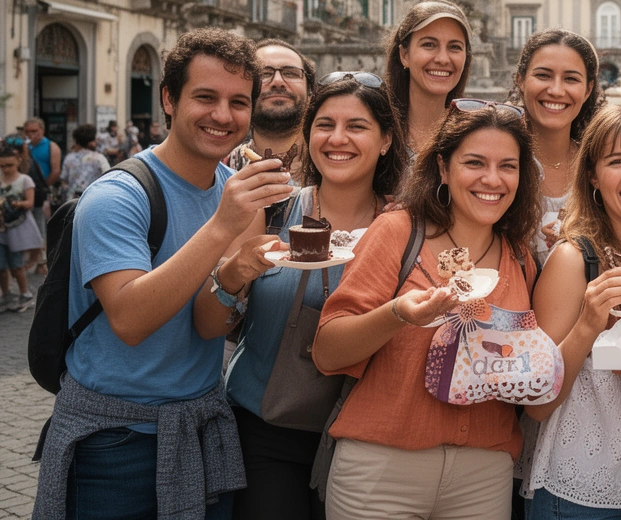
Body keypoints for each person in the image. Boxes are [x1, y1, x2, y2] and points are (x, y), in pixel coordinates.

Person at [33, 28, 295, 519]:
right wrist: (222, 227)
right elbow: (132, 321)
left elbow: (208, 326)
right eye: (206, 97)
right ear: (169, 99)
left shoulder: (234, 192)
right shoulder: (117, 197)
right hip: (113, 441)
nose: (223, 115)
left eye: (239, 102)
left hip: (201, 426)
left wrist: (237, 274)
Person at [312, 100, 542, 520]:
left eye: (507, 166)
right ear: (443, 168)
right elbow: (328, 351)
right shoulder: (398, 231)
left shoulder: (519, 256)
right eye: (474, 162)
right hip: (382, 473)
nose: (492, 179)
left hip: (483, 476)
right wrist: (397, 314)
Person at [195, 71, 405, 520]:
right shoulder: (271, 208)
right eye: (325, 125)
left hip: (369, 439)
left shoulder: (407, 226)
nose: (338, 139)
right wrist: (234, 272)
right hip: (267, 432)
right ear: (308, 135)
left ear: (386, 140)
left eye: (357, 126)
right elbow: (208, 325)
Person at [523, 105, 621, 519]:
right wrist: (588, 323)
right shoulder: (573, 260)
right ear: (593, 176)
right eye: (616, 161)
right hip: (578, 493)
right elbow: (536, 405)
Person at [509, 29, 604, 267]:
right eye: (543, 75)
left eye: (571, 79)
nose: (556, 90)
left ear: (588, 89)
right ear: (520, 80)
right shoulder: (498, 162)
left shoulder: (599, 165)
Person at [385, 1, 473, 156]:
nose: (443, 59)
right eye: (429, 45)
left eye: (454, 47)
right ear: (404, 55)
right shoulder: (377, 129)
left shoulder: (473, 135)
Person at [225, 39, 315, 178]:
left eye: (290, 73)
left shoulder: (337, 166)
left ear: (310, 92)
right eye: (264, 74)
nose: (278, 82)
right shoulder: (216, 170)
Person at [0, 144, 42, 312]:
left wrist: (17, 203)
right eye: (2, 166)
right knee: (1, 266)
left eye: (9, 165)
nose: (6, 169)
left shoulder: (25, 180)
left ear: (18, 161)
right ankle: (6, 294)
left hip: (17, 227)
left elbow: (30, 203)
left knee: (17, 265)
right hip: (2, 227)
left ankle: (25, 294)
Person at [61, 123, 111, 200]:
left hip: (73, 200)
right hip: (92, 200)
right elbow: (109, 178)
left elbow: (64, 180)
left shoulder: (69, 158)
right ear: (90, 142)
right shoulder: (99, 158)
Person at [24, 117, 62, 198]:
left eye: (34, 131)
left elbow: (56, 171)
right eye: (27, 131)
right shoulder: (24, 146)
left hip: (43, 187)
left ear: (42, 130)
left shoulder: (51, 146)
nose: (30, 134)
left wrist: (44, 187)